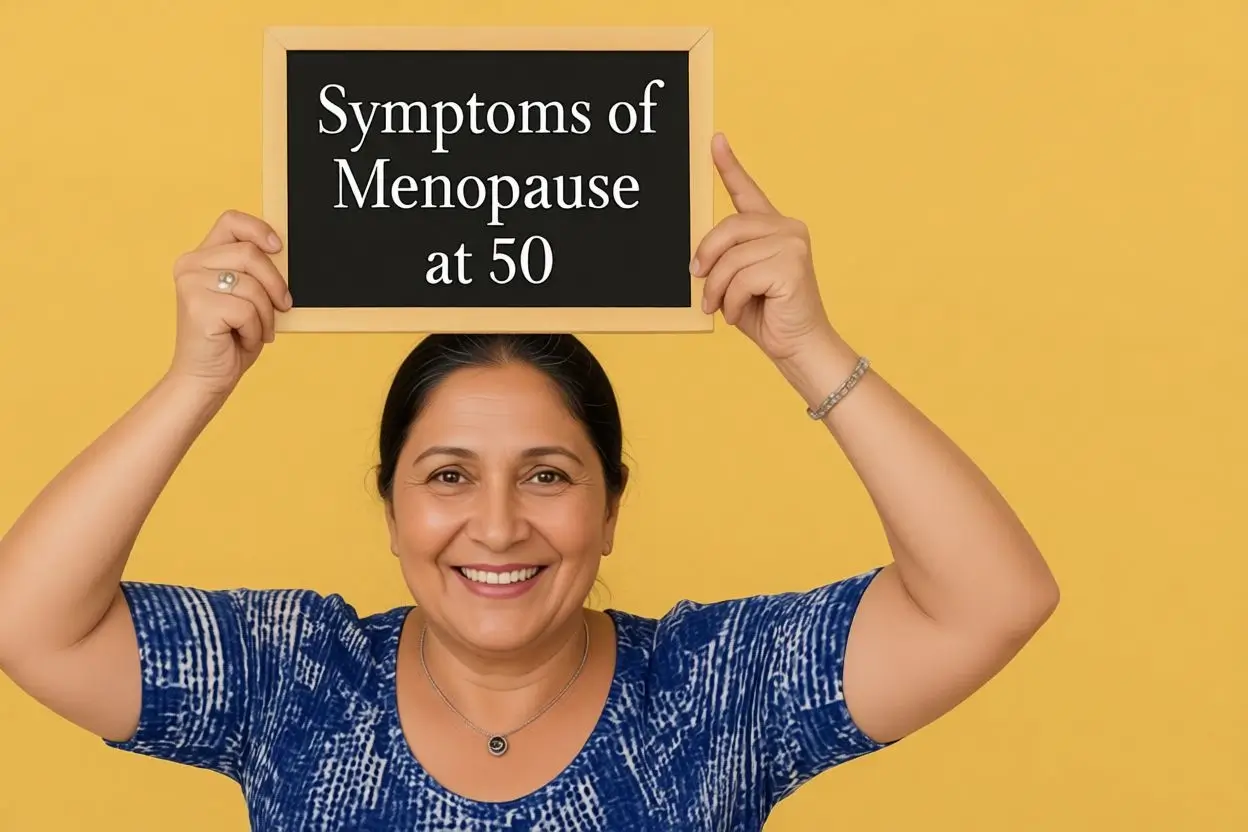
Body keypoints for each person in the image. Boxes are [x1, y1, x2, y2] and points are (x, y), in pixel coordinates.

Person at [0, 133, 1059, 831]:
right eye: (449, 473)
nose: (497, 526)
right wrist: (196, 380)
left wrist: (810, 348)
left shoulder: (712, 692)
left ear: (609, 508)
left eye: (547, 474)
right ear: (392, 506)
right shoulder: (296, 678)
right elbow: (29, 621)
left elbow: (992, 599)